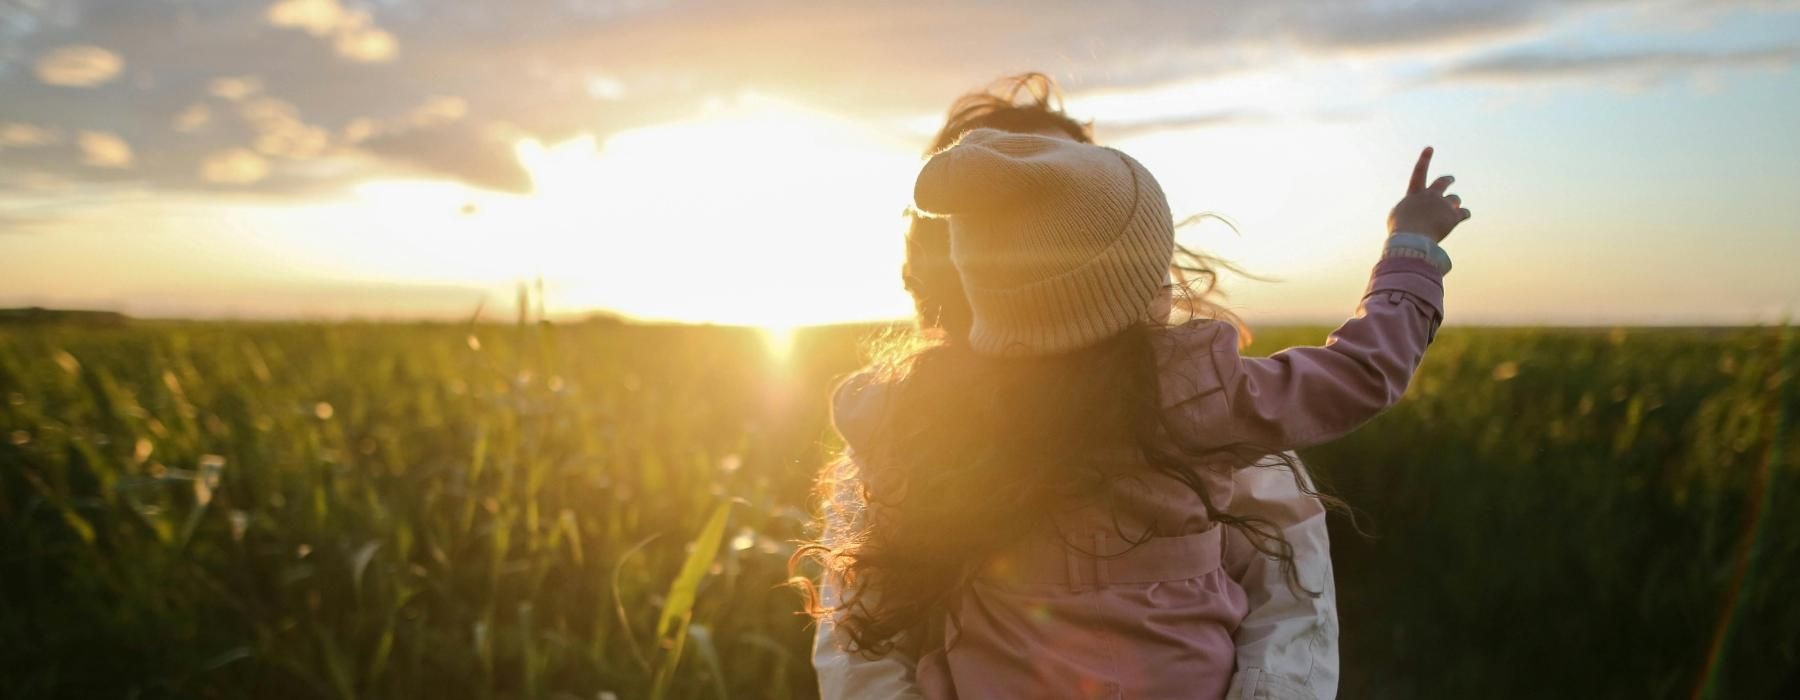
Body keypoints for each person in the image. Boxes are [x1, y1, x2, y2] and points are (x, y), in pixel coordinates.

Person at [798, 76, 1468, 699]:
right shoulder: (1203, 396)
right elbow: (1362, 371)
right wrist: (1409, 248)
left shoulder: (919, 411)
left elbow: (1288, 620)